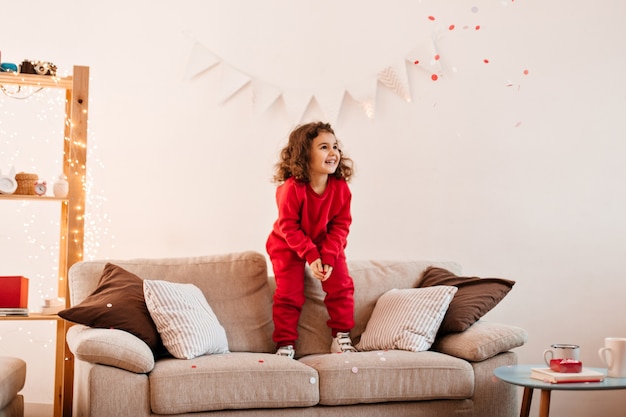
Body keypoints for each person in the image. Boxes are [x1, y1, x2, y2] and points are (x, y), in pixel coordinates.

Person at [266, 121, 356, 359]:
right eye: (324, 147)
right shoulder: (291, 189)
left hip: (325, 242)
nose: (333, 152)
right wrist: (311, 255)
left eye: (335, 147)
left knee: (341, 286)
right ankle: (285, 345)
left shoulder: (341, 189)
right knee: (289, 294)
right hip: (286, 244)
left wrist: (326, 256)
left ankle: (341, 336)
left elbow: (341, 225)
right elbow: (289, 227)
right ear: (305, 154)